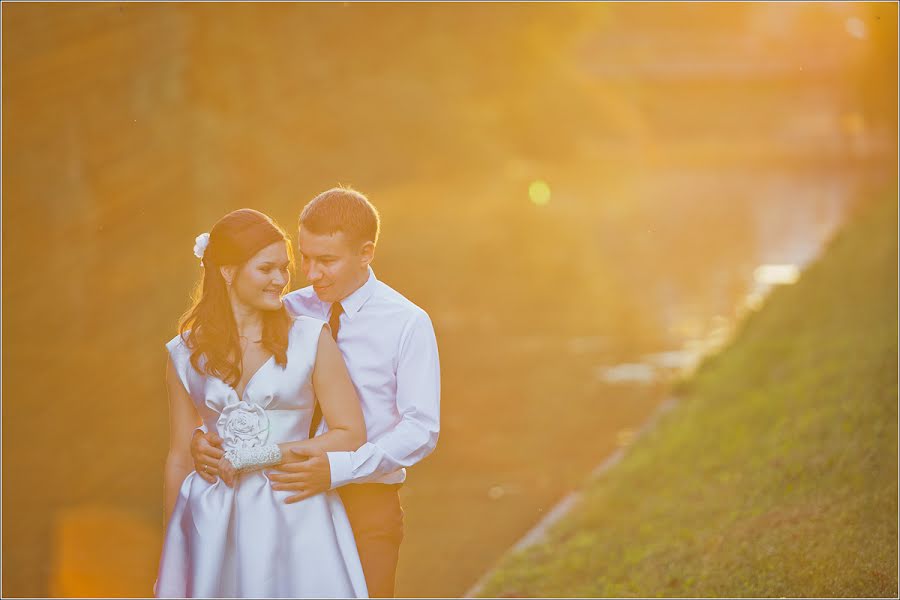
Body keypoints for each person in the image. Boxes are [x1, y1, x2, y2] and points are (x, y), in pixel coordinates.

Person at [191, 187, 441, 598]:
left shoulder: (407, 323)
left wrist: (340, 468)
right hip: (281, 495)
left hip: (365, 501)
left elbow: (420, 428)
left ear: (366, 253)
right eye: (304, 258)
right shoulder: (286, 308)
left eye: (326, 261)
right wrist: (202, 438)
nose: (311, 273)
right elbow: (235, 386)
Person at [156, 208, 369, 598]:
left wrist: (264, 455)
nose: (281, 280)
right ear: (227, 271)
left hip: (295, 511)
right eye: (266, 269)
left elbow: (350, 434)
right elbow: (179, 457)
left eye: (284, 269)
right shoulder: (183, 353)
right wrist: (174, 554)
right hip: (213, 519)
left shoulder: (310, 338)